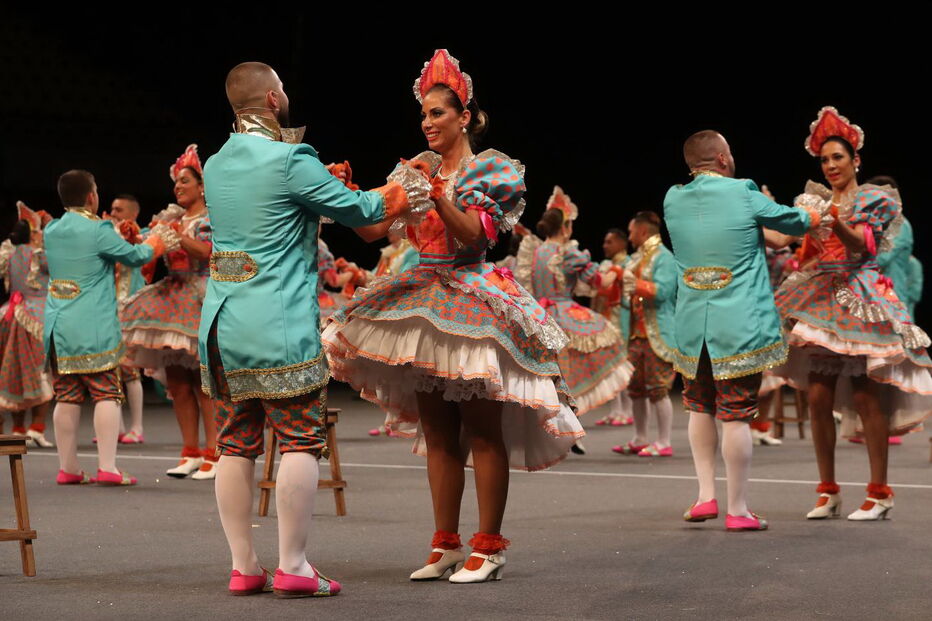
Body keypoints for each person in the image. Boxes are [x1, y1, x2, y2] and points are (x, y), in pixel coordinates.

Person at [322, 49, 583, 583]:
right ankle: (445, 543)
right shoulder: (414, 171)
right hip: (423, 298)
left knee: (482, 430)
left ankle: (489, 547)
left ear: (464, 117)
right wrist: (344, 194)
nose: (427, 122)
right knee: (438, 431)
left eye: (437, 113)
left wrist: (438, 196)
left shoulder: (489, 170)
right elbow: (373, 231)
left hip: (472, 298)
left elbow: (474, 236)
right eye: (423, 114)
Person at [201, 61, 420, 597]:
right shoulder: (290, 158)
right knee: (300, 439)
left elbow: (278, 212)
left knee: (236, 444)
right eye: (282, 89)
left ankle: (244, 566)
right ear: (272, 100)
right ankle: (293, 565)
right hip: (275, 322)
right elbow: (365, 210)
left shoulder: (216, 162)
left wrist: (326, 183)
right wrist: (410, 182)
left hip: (222, 323)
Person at [772, 107, 932, 520]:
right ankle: (828, 491)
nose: (830, 166)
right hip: (822, 297)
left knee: (866, 395)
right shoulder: (815, 200)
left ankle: (880, 492)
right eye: (824, 160)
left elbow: (861, 244)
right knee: (818, 396)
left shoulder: (872, 199)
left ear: (855, 160)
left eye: (837, 157)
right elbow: (789, 243)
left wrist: (832, 218)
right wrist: (760, 218)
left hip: (862, 294)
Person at [664, 130, 823, 531]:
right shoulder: (743, 192)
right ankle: (737, 509)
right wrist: (817, 210)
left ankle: (705, 495)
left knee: (699, 406)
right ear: (722, 158)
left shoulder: (673, 199)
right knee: (735, 414)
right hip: (736, 325)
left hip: (691, 325)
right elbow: (796, 222)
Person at [45, 170, 170, 485]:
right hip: (92, 325)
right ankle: (108, 467)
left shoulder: (52, 229)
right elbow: (135, 256)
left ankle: (69, 468)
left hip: (59, 325)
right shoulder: (97, 229)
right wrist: (157, 243)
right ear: (91, 196)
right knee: (106, 393)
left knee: (67, 395)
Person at [121, 146, 218, 480]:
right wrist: (136, 238)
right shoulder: (169, 220)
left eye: (185, 181)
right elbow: (148, 248)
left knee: (204, 383)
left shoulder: (210, 219)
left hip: (201, 296)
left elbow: (209, 253)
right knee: (177, 382)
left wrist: (176, 237)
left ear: (202, 186)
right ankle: (190, 451)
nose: (178, 186)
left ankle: (214, 453)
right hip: (172, 299)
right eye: (176, 182)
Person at [517, 187, 631, 456]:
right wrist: (617, 272)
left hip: (537, 317)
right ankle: (568, 428)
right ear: (566, 227)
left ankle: (555, 430)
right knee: (571, 375)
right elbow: (600, 282)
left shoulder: (534, 251)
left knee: (547, 377)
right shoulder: (568, 253)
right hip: (563, 316)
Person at [611, 211, 678, 457]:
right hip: (635, 335)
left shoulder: (664, 258)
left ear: (642, 231)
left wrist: (633, 283)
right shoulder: (635, 259)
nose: (629, 237)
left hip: (657, 333)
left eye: (631, 232)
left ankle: (664, 441)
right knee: (636, 389)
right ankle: (640, 438)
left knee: (658, 389)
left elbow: (663, 291)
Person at [0, 204, 54, 447]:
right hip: (36, 317)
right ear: (33, 234)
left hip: (9, 315)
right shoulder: (41, 254)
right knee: (41, 371)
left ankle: (18, 427)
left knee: (16, 372)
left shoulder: (10, 253)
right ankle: (36, 428)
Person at [109, 194, 147, 443]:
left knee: (130, 368)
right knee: (110, 368)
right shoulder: (108, 235)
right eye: (112, 209)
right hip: (108, 308)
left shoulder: (141, 236)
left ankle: (137, 427)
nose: (113, 213)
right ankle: (117, 427)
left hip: (131, 308)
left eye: (119, 209)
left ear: (133, 214)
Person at [593, 227, 634, 427]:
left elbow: (631, 295)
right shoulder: (606, 265)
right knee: (610, 366)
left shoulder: (630, 264)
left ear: (621, 243)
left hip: (623, 318)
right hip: (607, 319)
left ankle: (627, 411)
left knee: (623, 364)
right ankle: (615, 410)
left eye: (609, 242)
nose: (605, 246)